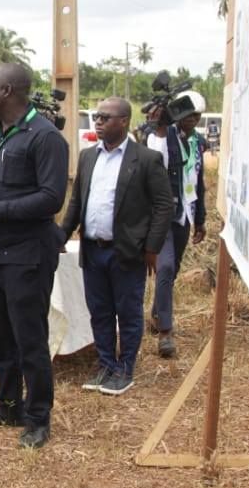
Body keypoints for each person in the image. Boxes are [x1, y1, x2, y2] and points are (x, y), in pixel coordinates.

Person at [0, 64, 70, 448]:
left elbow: (51, 198)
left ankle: (38, 418)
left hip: (26, 255)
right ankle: (8, 405)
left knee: (29, 339)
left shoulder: (45, 137)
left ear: (7, 91)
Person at [59, 97, 173, 396]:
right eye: (96, 117)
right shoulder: (88, 157)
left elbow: (164, 206)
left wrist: (152, 247)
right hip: (92, 250)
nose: (97, 121)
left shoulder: (146, 159)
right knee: (99, 311)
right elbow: (77, 201)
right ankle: (106, 364)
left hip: (127, 251)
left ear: (123, 121)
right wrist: (62, 236)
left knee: (128, 311)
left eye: (105, 117)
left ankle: (125, 369)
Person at [145, 92, 208, 359]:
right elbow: (154, 159)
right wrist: (160, 126)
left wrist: (200, 219)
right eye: (188, 114)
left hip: (184, 216)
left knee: (172, 271)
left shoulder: (197, 142)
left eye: (197, 115)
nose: (192, 119)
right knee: (166, 267)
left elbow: (198, 181)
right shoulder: (161, 136)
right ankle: (165, 333)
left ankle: (157, 314)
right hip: (162, 216)